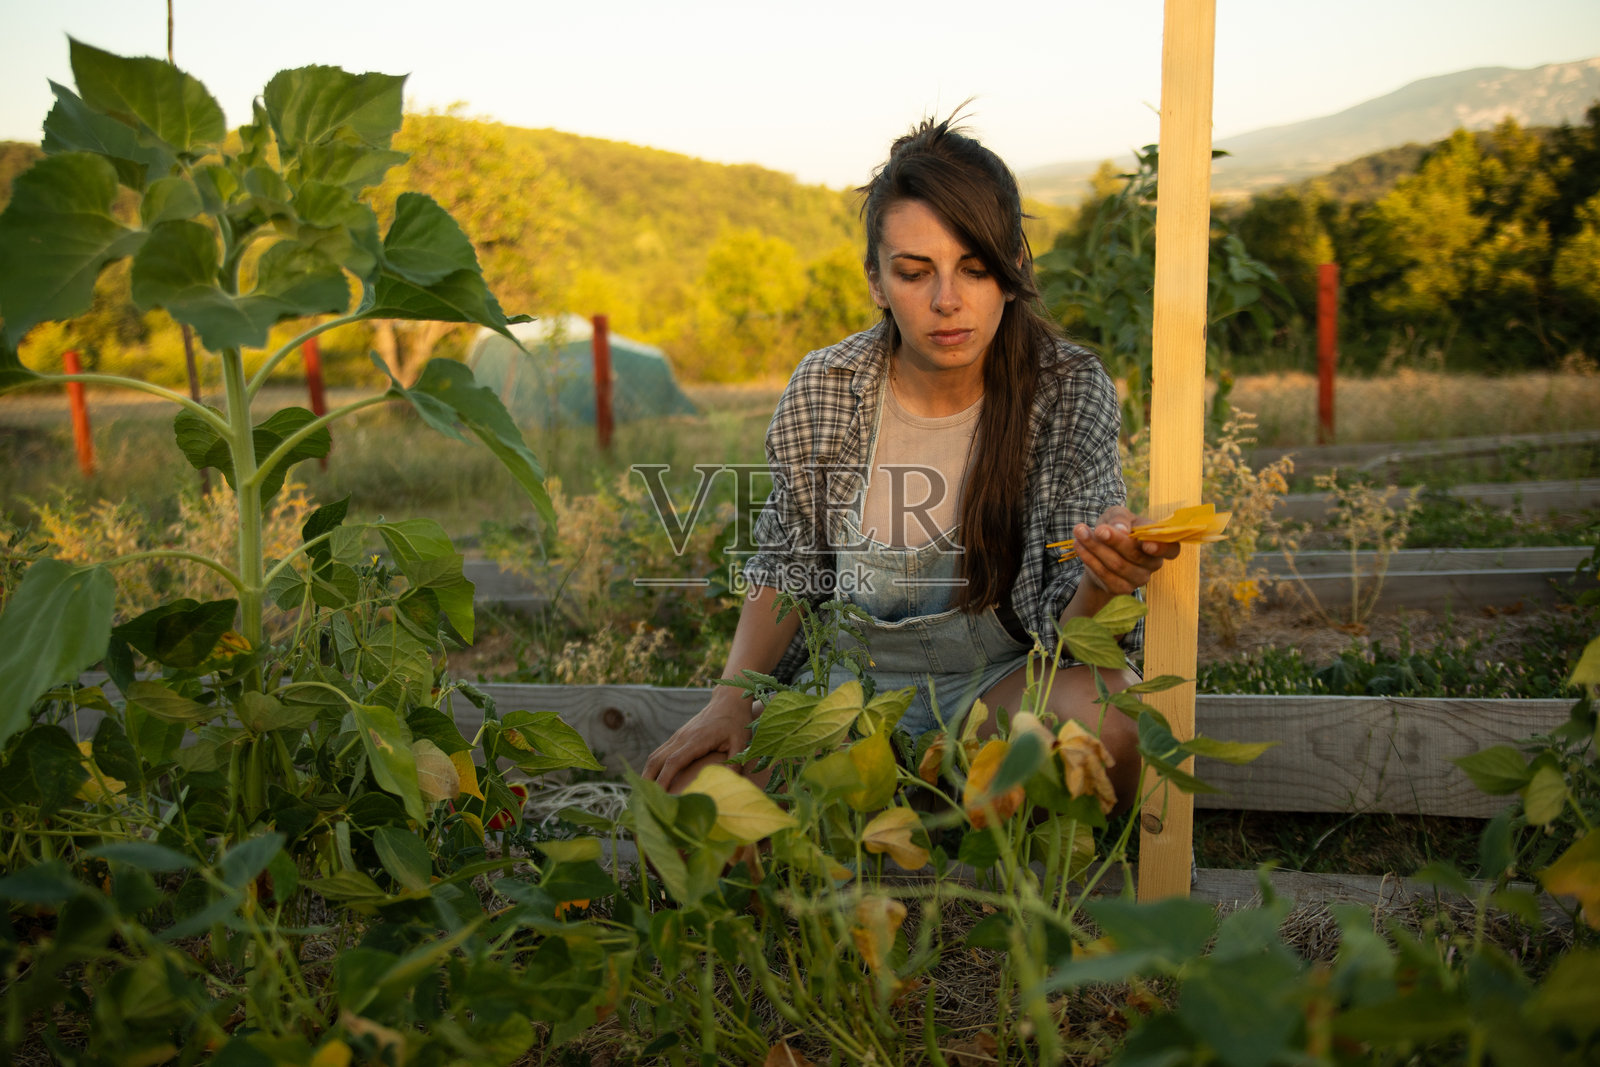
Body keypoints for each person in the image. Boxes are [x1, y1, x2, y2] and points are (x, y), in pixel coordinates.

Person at [643, 116, 1178, 807]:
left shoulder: (1066, 389)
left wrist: (1103, 578)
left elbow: (1070, 639)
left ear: (1015, 268)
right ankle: (911, 814)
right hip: (847, 698)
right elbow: (786, 563)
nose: (947, 301)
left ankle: (949, 812)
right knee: (690, 802)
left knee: (1112, 716)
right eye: (914, 272)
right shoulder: (828, 387)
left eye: (974, 268)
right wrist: (729, 702)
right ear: (876, 281)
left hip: (996, 694)